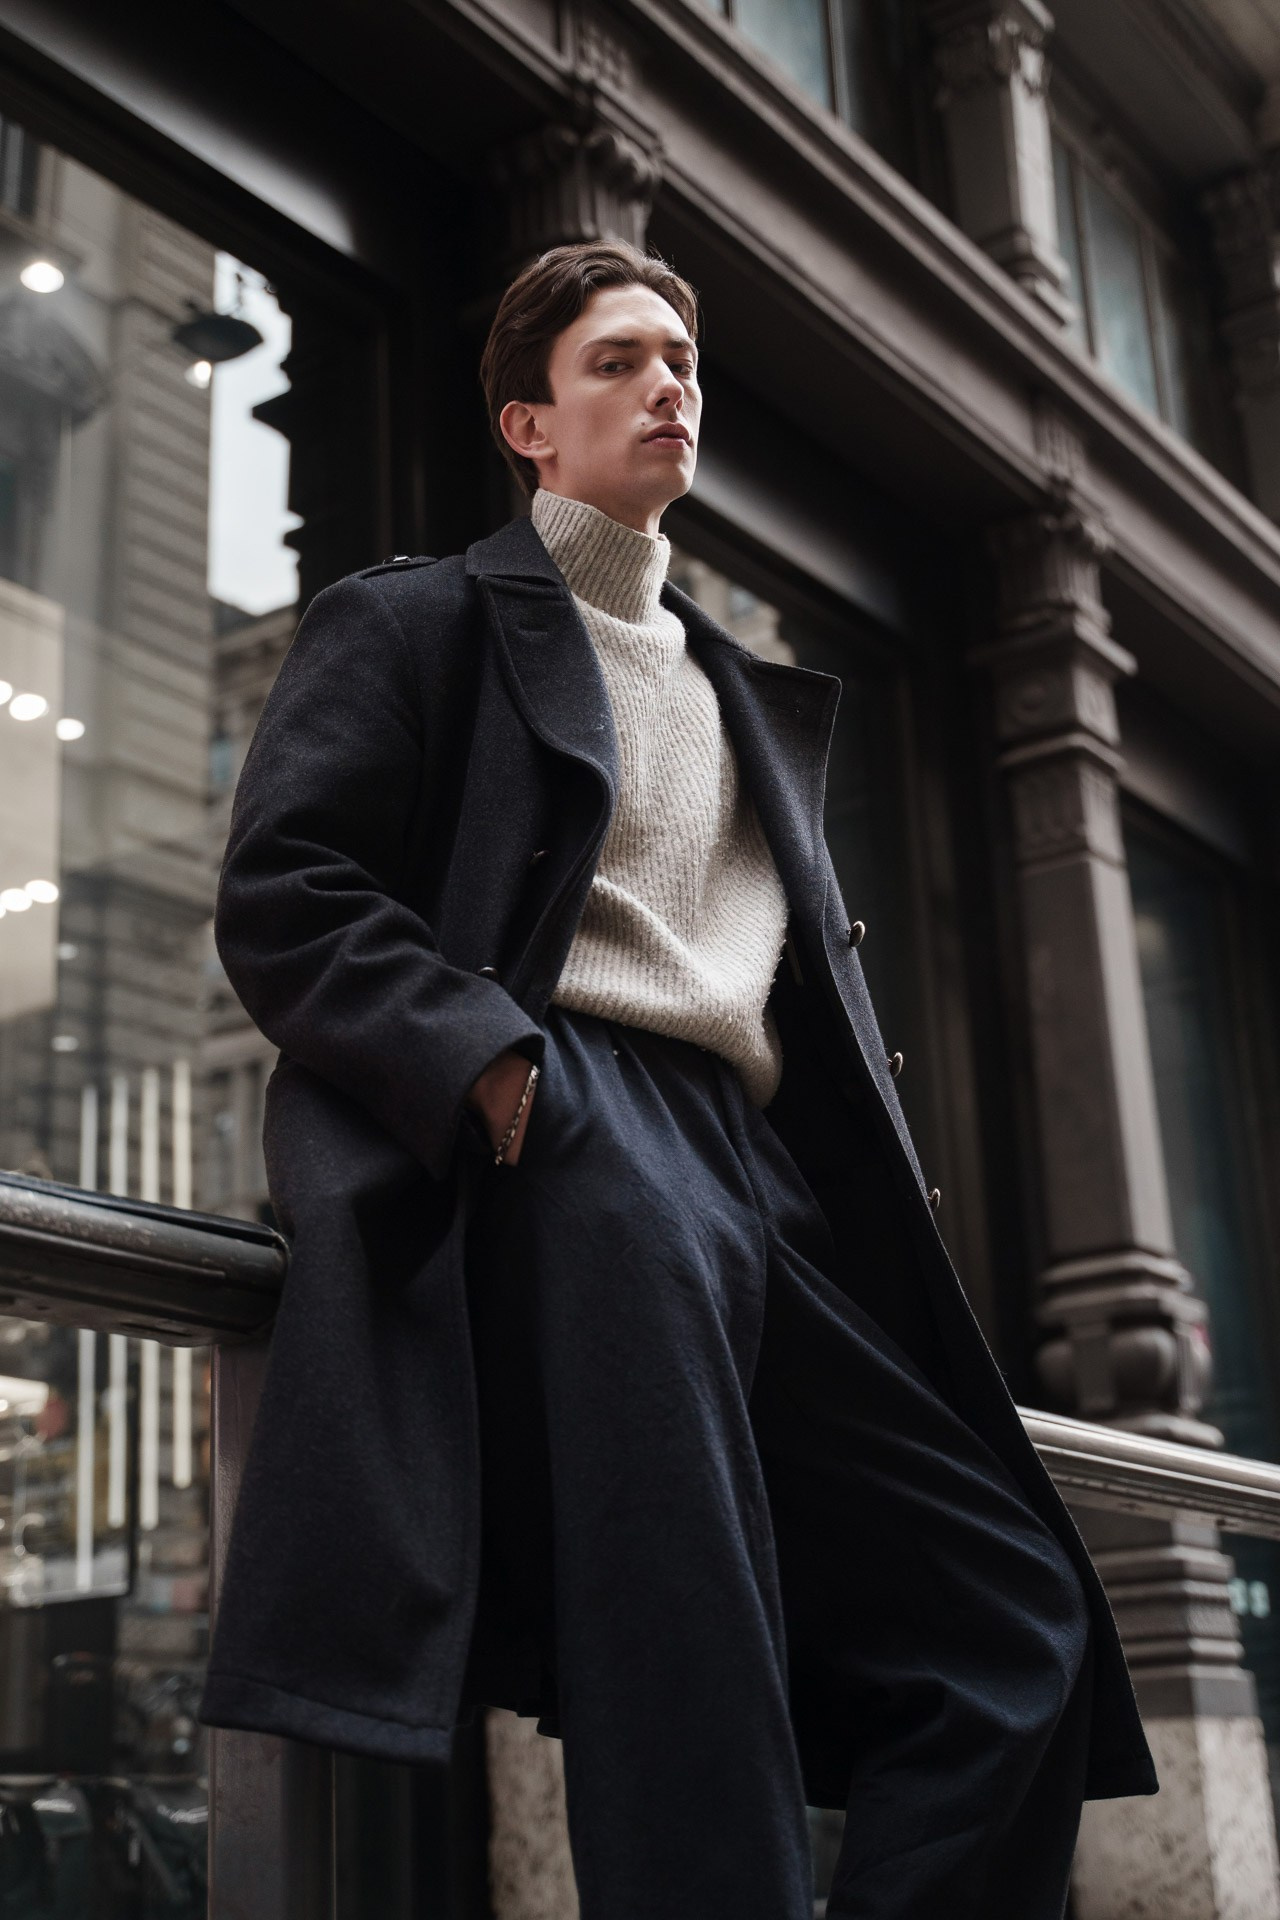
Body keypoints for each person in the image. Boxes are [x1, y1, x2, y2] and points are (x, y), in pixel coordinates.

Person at [198, 239, 1158, 1919]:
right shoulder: (420, 621)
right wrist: (488, 1064)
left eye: (683, 364)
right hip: (572, 1116)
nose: (668, 387)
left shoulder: (739, 691)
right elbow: (287, 891)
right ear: (528, 423)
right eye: (620, 362)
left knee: (1016, 1620)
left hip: (756, 1165)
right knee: (684, 1635)